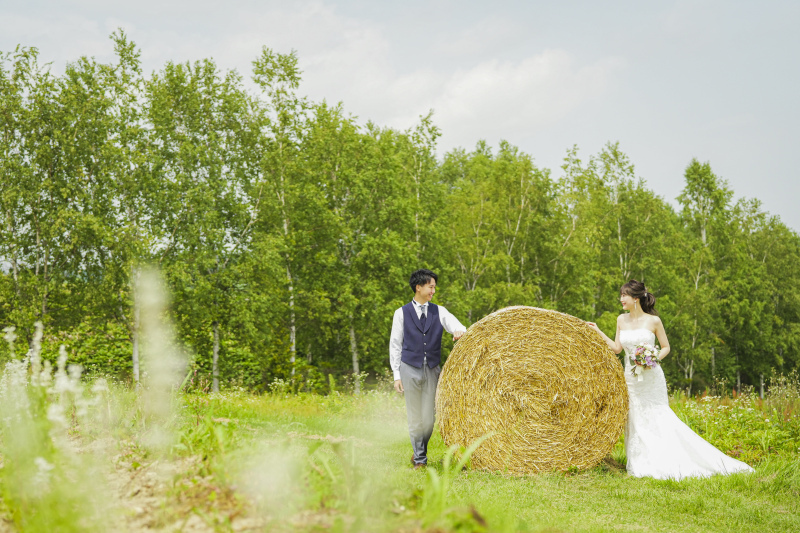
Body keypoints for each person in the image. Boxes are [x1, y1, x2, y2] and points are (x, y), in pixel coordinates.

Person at [587, 279, 754, 480]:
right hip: (630, 377)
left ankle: (668, 457)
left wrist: (651, 359)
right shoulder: (621, 319)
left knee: (657, 415)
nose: (621, 299)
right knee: (635, 416)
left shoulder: (654, 321)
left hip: (651, 376)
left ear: (636, 298)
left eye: (624, 295)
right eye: (621, 295)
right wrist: (597, 330)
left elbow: (666, 347)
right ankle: (641, 460)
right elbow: (616, 349)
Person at [390, 269, 466, 469]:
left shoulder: (439, 311)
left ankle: (418, 451)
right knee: (415, 417)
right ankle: (420, 460)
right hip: (409, 368)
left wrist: (458, 331)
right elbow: (395, 345)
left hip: (432, 369)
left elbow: (459, 327)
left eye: (434, 287)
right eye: (430, 287)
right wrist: (397, 375)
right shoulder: (401, 313)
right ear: (419, 287)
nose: (433, 291)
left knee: (429, 418)